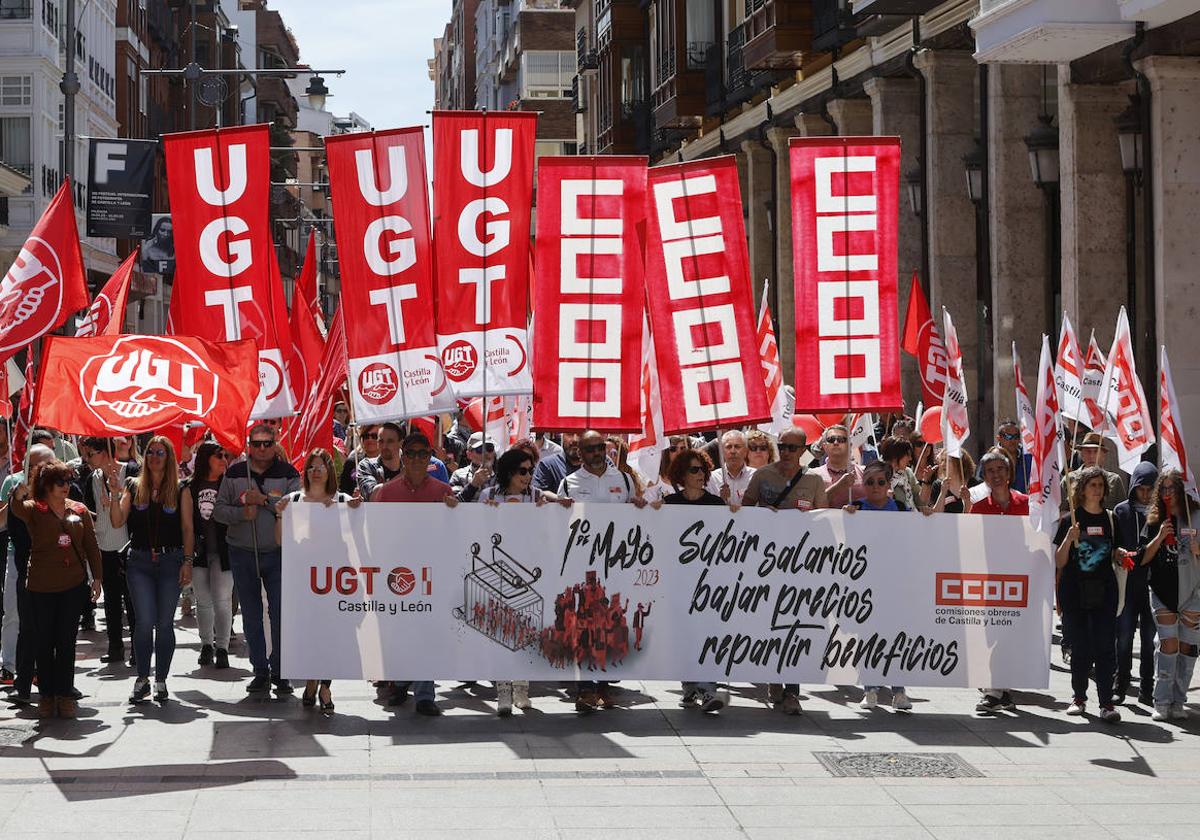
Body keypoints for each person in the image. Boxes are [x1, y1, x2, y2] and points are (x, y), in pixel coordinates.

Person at [557, 429, 648, 712]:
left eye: (600, 447)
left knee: (611, 625)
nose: (597, 453)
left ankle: (604, 687)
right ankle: (585, 689)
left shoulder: (622, 479)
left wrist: (640, 506)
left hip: (616, 564)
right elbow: (557, 521)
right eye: (591, 448)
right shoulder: (569, 482)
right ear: (580, 453)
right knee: (584, 626)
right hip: (582, 567)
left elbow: (636, 513)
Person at [371, 432, 459, 715]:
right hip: (397, 574)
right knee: (400, 632)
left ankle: (425, 695)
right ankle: (399, 681)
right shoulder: (386, 492)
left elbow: (455, 532)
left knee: (427, 633)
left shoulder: (444, 492)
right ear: (403, 457)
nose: (418, 459)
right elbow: (374, 533)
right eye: (412, 454)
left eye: (424, 454)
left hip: (432, 574)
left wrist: (456, 513)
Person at [742, 427, 827, 715]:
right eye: (782, 446)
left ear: (803, 450)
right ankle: (773, 676)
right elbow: (745, 511)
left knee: (794, 627)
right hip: (766, 565)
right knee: (770, 624)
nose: (787, 452)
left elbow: (824, 519)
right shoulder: (762, 475)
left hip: (801, 566)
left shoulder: (814, 480)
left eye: (792, 447)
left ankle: (792, 691)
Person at [8, 459, 102, 718]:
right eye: (60, 482)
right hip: (41, 586)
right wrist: (16, 492)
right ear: (47, 486)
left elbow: (92, 547)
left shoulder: (80, 510)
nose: (66, 486)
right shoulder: (34, 508)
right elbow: (16, 508)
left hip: (73, 585)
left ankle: (65, 693)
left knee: (66, 641)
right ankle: (47, 695)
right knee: (43, 641)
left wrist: (97, 579)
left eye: (68, 481)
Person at [214, 423, 301, 695]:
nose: (262, 448)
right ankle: (260, 670)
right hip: (242, 551)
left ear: (275, 443)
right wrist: (242, 512)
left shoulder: (289, 474)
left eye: (267, 443)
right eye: (257, 443)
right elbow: (218, 511)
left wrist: (262, 500)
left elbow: (296, 508)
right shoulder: (235, 473)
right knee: (251, 614)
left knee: (280, 615)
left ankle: (281, 669)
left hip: (277, 553)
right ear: (249, 445)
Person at [276, 448, 362, 714]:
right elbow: (280, 540)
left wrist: (357, 510)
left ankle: (325, 684)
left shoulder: (344, 499)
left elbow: (359, 536)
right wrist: (279, 514)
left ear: (329, 471)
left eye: (320, 466)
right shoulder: (294, 499)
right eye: (311, 466)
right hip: (303, 581)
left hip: (335, 581)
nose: (316, 471)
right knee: (308, 634)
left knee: (332, 635)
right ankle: (311, 679)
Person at [108, 436, 192, 704]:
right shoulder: (133, 485)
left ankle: (161, 680)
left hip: (171, 561)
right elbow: (117, 520)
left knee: (165, 623)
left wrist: (188, 562)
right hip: (140, 563)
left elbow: (188, 529)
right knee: (144, 622)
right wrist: (113, 494)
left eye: (161, 452)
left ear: (169, 459)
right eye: (151, 452)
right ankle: (142, 678)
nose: (155, 456)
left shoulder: (181, 489)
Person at [476, 447, 555, 715]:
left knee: (526, 631)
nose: (528, 476)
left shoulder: (536, 497)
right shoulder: (489, 496)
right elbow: (477, 529)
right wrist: (487, 513)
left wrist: (554, 505)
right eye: (523, 471)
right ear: (509, 471)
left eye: (531, 471)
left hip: (529, 571)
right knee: (501, 631)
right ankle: (503, 691)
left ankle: (522, 688)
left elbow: (549, 524)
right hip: (498, 572)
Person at [1054, 466, 1127, 722]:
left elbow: (1116, 550)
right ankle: (1079, 697)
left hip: (1104, 589)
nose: (1097, 489)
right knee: (1080, 646)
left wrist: (1120, 554)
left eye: (1100, 485)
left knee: (1106, 647)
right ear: (1082, 489)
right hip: (1075, 590)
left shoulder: (1110, 519)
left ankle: (1106, 703)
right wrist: (1068, 539)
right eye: (1092, 485)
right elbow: (1060, 561)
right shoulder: (1069, 520)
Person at [844, 461, 915, 711]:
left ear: (889, 484)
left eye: (880, 482)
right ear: (863, 485)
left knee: (896, 639)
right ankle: (870, 690)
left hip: (895, 584)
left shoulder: (901, 508)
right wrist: (845, 517)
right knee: (869, 638)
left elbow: (921, 534)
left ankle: (900, 692)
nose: (875, 487)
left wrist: (928, 512)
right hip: (866, 585)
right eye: (869, 482)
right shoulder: (856, 508)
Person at [663, 447, 726, 713]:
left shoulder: (716, 504)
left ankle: (708, 689)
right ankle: (689, 688)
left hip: (708, 581)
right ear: (681, 474)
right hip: (679, 581)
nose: (701, 474)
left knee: (705, 633)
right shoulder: (670, 504)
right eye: (694, 470)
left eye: (703, 469)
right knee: (685, 635)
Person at [970, 448, 1030, 714]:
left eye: (1000, 470)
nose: (995, 475)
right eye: (990, 471)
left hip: (1020, 580)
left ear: (1009, 473)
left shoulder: (1027, 504)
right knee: (993, 633)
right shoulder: (979, 507)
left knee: (1012, 634)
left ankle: (1002, 690)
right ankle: (994, 690)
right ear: (983, 476)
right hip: (990, 581)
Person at [1140, 469, 1200, 721]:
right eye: (1163, 489)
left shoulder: (1195, 517)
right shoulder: (1153, 519)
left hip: (1193, 589)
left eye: (1172, 488)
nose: (1167, 493)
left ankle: (1178, 700)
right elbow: (1142, 557)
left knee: (1187, 645)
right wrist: (1160, 537)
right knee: (1168, 643)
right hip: (1163, 591)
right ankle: (1161, 700)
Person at [1, 444, 55, 704]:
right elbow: (5, 523)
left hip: (52, 563)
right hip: (20, 561)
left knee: (51, 626)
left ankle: (53, 681)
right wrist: (15, 500)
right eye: (32, 465)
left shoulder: (56, 487)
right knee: (17, 617)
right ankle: (12, 669)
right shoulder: (13, 483)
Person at [77, 436, 139, 664]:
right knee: (111, 600)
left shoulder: (130, 472)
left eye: (90, 454)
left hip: (127, 544)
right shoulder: (92, 477)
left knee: (132, 601)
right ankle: (115, 647)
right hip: (104, 545)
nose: (87, 459)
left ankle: (137, 649)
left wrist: (116, 499)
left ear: (105, 451)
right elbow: (92, 513)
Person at [182, 442, 234, 670]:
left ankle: (222, 647)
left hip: (225, 551)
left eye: (226, 455)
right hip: (199, 551)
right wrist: (187, 557)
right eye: (219, 455)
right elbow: (187, 526)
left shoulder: (230, 485)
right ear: (206, 458)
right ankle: (206, 644)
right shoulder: (189, 487)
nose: (224, 459)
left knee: (222, 600)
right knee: (203, 601)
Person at [1113, 462, 1158, 705]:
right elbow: (1115, 543)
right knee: (1124, 636)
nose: (1146, 493)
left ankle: (1147, 687)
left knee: (1150, 640)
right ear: (1134, 487)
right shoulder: (1122, 512)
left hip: (1152, 584)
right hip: (1127, 583)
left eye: (1151, 489)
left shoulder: (1160, 513)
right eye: (1141, 488)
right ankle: (1120, 683)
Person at [1061, 433, 1126, 512]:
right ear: (1081, 454)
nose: (1091, 456)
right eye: (1088, 451)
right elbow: (1059, 511)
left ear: (1103, 455)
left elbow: (1122, 511)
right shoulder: (1069, 479)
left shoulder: (1114, 480)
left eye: (1096, 451)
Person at [811, 425, 864, 510]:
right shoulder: (812, 475)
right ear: (824, 446)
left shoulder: (864, 472)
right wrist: (839, 486)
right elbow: (810, 506)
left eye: (841, 439)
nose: (836, 443)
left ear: (850, 445)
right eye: (831, 440)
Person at [706, 430, 756, 507]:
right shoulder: (711, 479)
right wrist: (720, 500)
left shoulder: (756, 476)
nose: (733, 451)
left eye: (737, 446)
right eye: (728, 447)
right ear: (722, 451)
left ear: (746, 451)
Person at [879, 436, 928, 514]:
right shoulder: (878, 474)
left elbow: (920, 502)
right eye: (907, 455)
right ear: (896, 456)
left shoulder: (908, 473)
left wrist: (926, 482)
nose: (910, 459)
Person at [452, 433, 497, 501]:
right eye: (480, 449)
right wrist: (473, 485)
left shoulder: (503, 476)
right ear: (469, 454)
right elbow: (454, 504)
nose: (486, 453)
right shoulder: (458, 475)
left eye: (489, 448)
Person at [339, 424, 381, 494]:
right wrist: (351, 498)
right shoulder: (352, 462)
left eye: (374, 436)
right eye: (366, 436)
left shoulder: (388, 462)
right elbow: (343, 490)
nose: (370, 439)